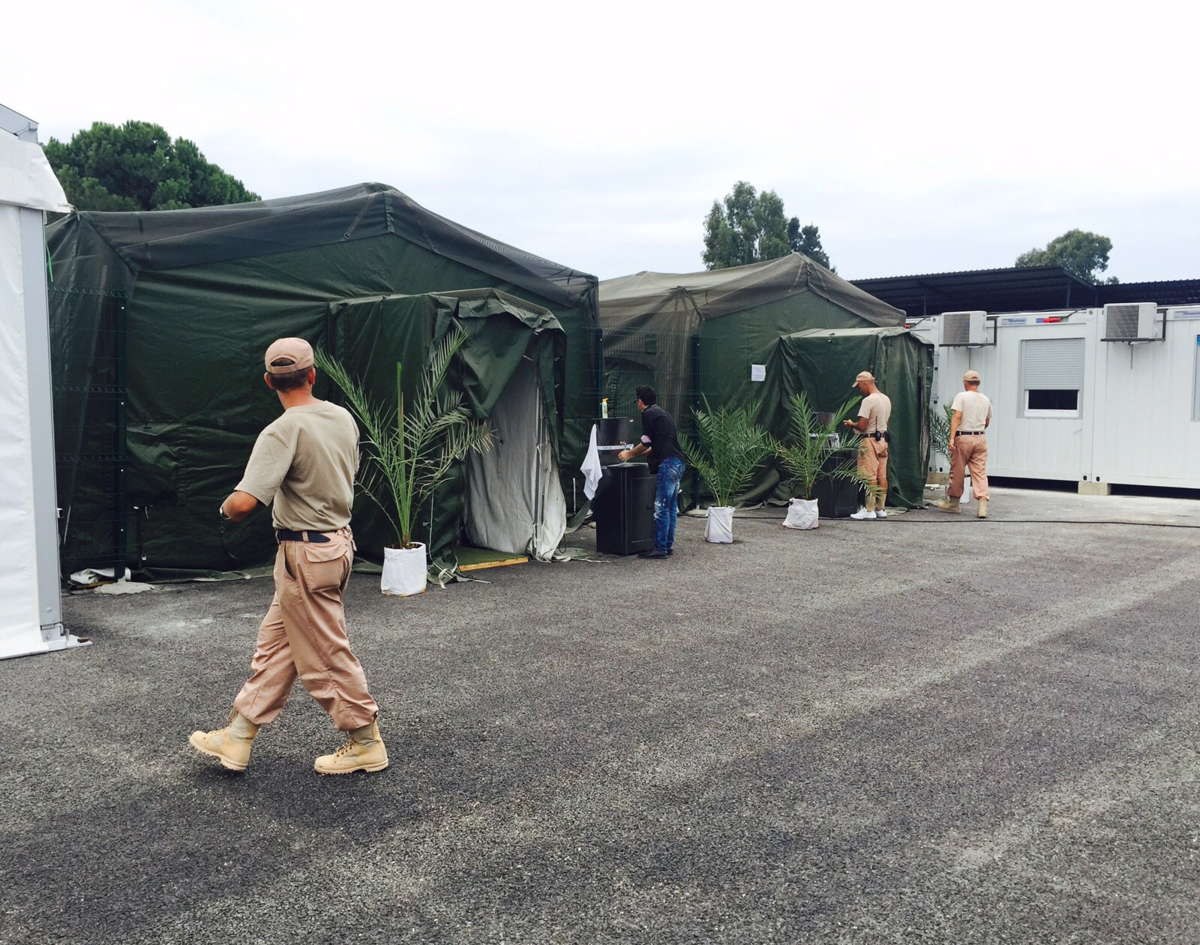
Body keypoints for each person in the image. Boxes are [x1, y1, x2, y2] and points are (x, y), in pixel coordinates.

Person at [189, 337, 388, 776]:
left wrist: (223, 507)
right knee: (276, 647)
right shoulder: (341, 418)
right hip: (334, 543)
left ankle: (365, 741)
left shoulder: (282, 429)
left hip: (305, 553)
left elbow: (243, 505)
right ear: (313, 374)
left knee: (324, 653)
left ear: (268, 382)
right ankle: (238, 738)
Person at [617, 386, 686, 559]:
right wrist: (633, 453)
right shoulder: (663, 414)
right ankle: (667, 545)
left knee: (661, 507)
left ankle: (660, 548)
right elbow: (654, 445)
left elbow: (646, 443)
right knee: (669, 507)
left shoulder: (648, 414)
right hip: (678, 462)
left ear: (640, 402)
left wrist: (629, 453)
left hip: (668, 464)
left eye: (636, 401)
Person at [934, 369, 993, 518]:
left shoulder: (962, 396)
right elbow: (987, 421)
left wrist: (952, 438)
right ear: (978, 383)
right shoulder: (986, 399)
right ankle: (982, 507)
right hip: (980, 438)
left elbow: (957, 416)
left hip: (964, 438)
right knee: (980, 472)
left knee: (958, 471)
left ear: (965, 383)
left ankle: (954, 503)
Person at [843, 370, 892, 520]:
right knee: (882, 475)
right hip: (883, 441)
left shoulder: (868, 401)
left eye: (859, 386)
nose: (859, 389)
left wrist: (852, 425)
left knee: (869, 475)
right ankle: (880, 508)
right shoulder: (886, 399)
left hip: (869, 441)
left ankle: (869, 510)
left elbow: (863, 425)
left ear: (865, 383)